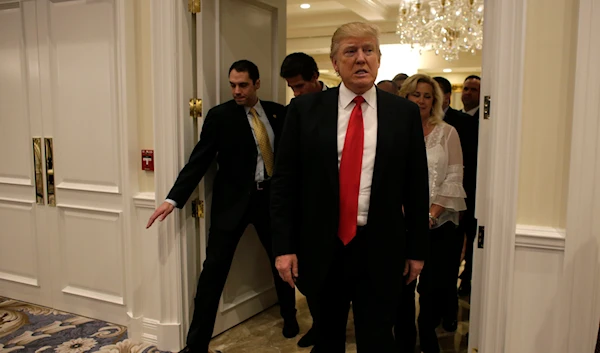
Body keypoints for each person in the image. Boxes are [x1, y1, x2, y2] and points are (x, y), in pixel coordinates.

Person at [270, 22, 430, 353]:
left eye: (368, 50)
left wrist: (417, 250)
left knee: (377, 340)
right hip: (322, 247)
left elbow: (416, 186)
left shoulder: (404, 114)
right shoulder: (303, 112)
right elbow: (285, 183)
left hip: (381, 248)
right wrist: (284, 247)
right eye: (351, 51)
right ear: (334, 62)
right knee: (327, 339)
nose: (361, 59)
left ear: (378, 58)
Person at [146, 60, 298, 353]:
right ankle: (196, 342)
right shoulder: (219, 116)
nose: (237, 91)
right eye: (232, 85)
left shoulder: (278, 112)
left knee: (282, 263)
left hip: (271, 202)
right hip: (232, 205)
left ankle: (290, 318)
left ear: (256, 84)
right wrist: (173, 199)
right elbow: (199, 160)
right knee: (213, 270)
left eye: (243, 85)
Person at [396, 74, 466, 353]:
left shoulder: (448, 132)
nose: (421, 100)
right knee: (401, 286)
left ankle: (427, 333)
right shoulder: (393, 132)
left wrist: (430, 215)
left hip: (438, 224)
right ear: (405, 97)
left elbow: (453, 177)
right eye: (416, 94)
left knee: (432, 287)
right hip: (400, 224)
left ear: (435, 101)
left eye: (427, 96)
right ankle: (403, 337)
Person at [278, 51, 328, 349]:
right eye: (291, 88)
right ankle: (320, 325)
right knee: (308, 278)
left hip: (334, 206)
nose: (295, 93)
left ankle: (328, 327)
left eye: (299, 86)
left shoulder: (338, 104)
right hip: (303, 209)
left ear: (315, 78)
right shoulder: (292, 111)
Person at [433, 76, 478, 331]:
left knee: (448, 266)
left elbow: (469, 166)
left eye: (433, 95)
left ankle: (448, 311)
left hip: (455, 204)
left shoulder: (464, 123)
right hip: (423, 206)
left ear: (448, 96)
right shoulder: (411, 122)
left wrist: (462, 205)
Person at [458, 74, 481, 296]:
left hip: (473, 191)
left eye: (473, 90)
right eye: (465, 89)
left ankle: (468, 278)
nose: (467, 93)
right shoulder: (454, 119)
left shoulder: (483, 123)